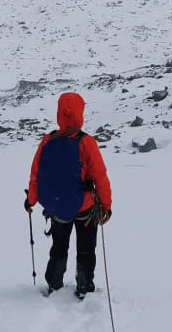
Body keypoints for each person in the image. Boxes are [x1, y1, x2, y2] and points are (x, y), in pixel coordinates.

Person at [25, 91, 112, 296]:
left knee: (59, 247)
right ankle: (83, 286)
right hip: (85, 206)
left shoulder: (47, 140)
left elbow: (36, 174)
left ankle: (54, 284)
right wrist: (106, 206)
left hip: (57, 207)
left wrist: (31, 201)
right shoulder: (86, 142)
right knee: (85, 249)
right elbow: (100, 176)